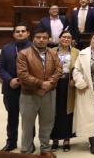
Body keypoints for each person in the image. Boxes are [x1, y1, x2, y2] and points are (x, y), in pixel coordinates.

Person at [17, 27, 62, 155]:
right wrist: (42, 84)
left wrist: (49, 84)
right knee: (27, 125)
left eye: (44, 38)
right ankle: (25, 150)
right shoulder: (24, 54)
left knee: (47, 123)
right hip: (29, 95)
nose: (41, 40)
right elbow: (23, 75)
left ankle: (45, 149)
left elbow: (58, 70)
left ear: (48, 39)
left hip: (49, 94)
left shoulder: (53, 53)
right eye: (38, 37)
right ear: (33, 38)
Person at [0, 24, 32, 152]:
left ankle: (29, 143)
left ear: (28, 33)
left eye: (23, 31)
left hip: (28, 90)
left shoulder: (34, 48)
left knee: (28, 119)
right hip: (10, 89)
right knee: (12, 117)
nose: (20, 33)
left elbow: (38, 68)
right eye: (18, 31)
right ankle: (11, 142)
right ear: (13, 34)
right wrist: (10, 80)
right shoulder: (6, 48)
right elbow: (0, 68)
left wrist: (21, 80)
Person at [50, 31, 79, 152]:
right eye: (64, 37)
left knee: (68, 112)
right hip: (54, 84)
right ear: (59, 38)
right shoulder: (51, 51)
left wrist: (74, 79)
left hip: (69, 85)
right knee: (53, 111)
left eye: (69, 37)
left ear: (71, 40)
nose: (66, 39)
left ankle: (67, 139)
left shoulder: (76, 52)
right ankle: (55, 139)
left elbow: (79, 68)